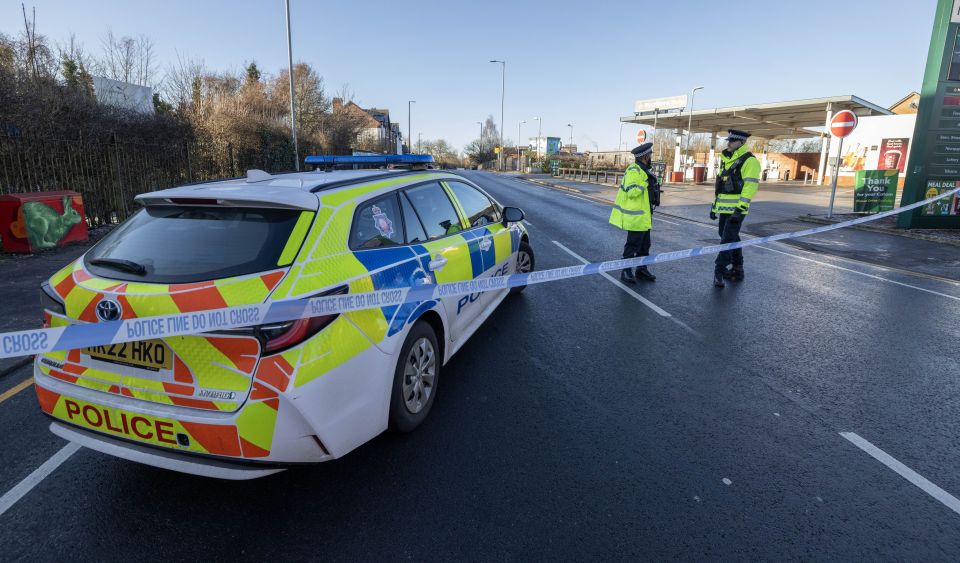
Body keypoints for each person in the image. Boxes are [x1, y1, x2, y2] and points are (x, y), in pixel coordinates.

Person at [710, 129, 760, 288]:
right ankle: (738, 267)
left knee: (726, 240)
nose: (728, 143)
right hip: (724, 208)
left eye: (732, 141)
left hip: (737, 210)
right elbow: (722, 187)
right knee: (727, 236)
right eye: (728, 140)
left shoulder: (749, 161)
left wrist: (740, 209)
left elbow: (750, 187)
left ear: (742, 143)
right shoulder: (727, 159)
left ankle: (719, 270)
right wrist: (714, 207)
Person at [609, 142, 660, 283]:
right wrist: (645, 181)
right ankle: (626, 271)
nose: (651, 157)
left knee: (645, 246)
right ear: (644, 157)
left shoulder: (643, 170)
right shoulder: (634, 170)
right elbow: (632, 192)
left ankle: (641, 269)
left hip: (644, 217)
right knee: (632, 246)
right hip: (635, 218)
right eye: (649, 155)